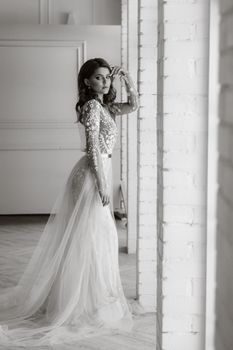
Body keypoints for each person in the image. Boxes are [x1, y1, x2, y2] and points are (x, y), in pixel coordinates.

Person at [0, 57, 139, 347]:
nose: (104, 82)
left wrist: (126, 78)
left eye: (107, 77)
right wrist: (102, 186)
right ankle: (79, 303)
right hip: (90, 175)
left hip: (100, 170)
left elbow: (134, 106)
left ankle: (95, 298)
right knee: (87, 236)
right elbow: (92, 149)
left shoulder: (107, 107)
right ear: (87, 82)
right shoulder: (91, 107)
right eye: (98, 78)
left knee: (98, 237)